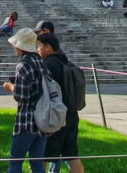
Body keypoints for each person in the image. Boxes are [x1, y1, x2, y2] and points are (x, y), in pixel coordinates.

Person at [37, 32, 83, 173]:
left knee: (42, 155)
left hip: (55, 116)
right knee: (72, 155)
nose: (37, 50)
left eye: (39, 46)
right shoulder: (66, 62)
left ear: (48, 47)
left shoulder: (47, 66)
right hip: (71, 114)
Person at [2, 27, 47, 173]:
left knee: (15, 163)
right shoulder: (41, 62)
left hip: (26, 121)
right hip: (41, 121)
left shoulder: (23, 65)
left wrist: (10, 86)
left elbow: (20, 96)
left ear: (20, 46)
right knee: (37, 164)